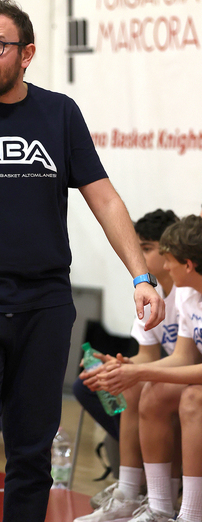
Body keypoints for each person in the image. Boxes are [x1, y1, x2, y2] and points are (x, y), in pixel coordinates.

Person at [0, 0, 165, 522]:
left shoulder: (59, 113)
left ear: (26, 54)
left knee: (32, 445)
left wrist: (140, 274)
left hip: (43, 300)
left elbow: (104, 197)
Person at [73, 209, 180, 521]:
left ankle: (154, 493)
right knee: (92, 384)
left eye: (146, 248)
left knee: (144, 389)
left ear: (170, 250)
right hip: (169, 375)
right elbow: (148, 355)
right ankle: (130, 491)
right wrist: (118, 365)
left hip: (184, 381)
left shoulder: (189, 294)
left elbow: (186, 360)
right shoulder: (152, 294)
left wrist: (136, 371)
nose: (138, 256)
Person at [95, 214, 202, 522]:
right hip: (191, 376)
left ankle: (191, 514)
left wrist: (141, 371)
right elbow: (183, 357)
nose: (165, 267)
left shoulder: (180, 292)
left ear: (188, 264)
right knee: (152, 392)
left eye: (169, 260)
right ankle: (156, 506)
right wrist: (127, 369)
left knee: (191, 398)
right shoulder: (187, 294)